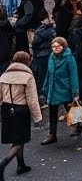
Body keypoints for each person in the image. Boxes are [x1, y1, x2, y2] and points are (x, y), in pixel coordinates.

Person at [0, 51, 42, 179]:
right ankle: (2, 164)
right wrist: (37, 117)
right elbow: (32, 99)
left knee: (17, 138)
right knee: (21, 139)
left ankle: (21, 165)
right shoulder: (28, 76)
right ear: (27, 61)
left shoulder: (4, 76)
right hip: (21, 109)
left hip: (6, 108)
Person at [40, 36, 79, 145]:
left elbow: (73, 75)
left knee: (71, 110)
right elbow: (49, 74)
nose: (56, 48)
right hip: (53, 88)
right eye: (53, 46)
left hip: (65, 88)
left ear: (64, 46)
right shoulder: (51, 57)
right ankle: (52, 134)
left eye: (58, 46)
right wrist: (45, 87)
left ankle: (79, 124)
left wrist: (75, 92)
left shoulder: (69, 58)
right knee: (52, 112)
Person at [28, 14, 54, 96]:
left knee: (42, 76)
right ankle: (46, 94)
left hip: (40, 56)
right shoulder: (51, 31)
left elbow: (34, 45)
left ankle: (43, 94)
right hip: (47, 55)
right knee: (47, 75)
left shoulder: (38, 31)